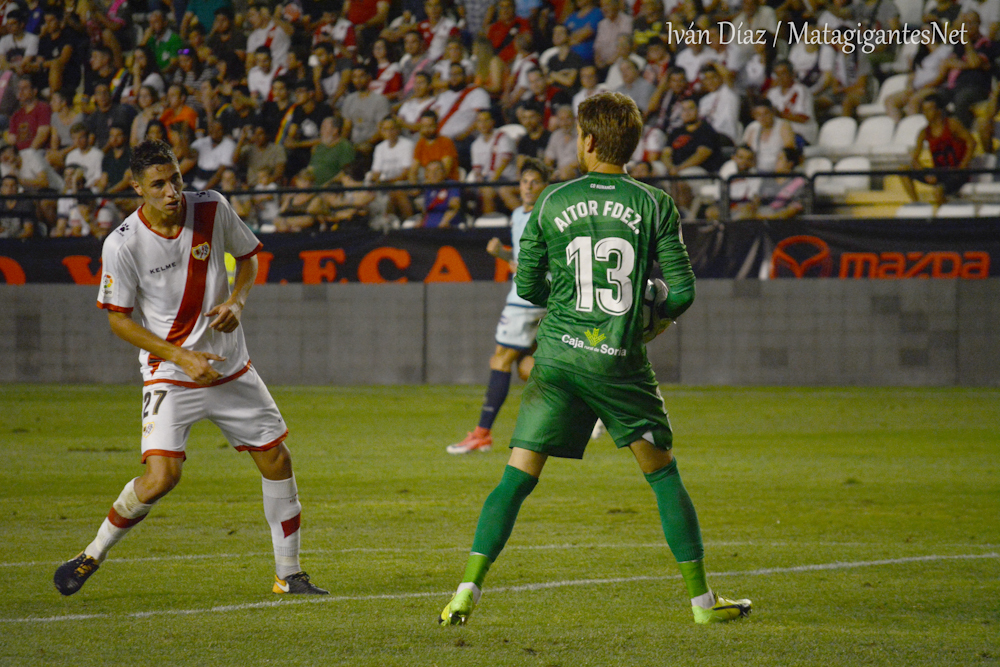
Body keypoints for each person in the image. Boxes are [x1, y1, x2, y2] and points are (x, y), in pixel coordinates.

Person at [437, 91, 751, 627]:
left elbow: (530, 288)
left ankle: (466, 589)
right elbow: (681, 291)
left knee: (515, 478)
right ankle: (702, 604)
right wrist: (647, 319)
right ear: (629, 142)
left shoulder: (550, 202)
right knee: (663, 477)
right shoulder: (654, 203)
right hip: (617, 360)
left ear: (586, 140)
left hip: (557, 356)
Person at [53, 140, 328, 598]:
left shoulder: (212, 208)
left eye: (175, 178)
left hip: (230, 367)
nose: (171, 191)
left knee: (277, 460)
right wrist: (181, 356)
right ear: (138, 189)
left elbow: (248, 257)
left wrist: (237, 301)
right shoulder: (122, 244)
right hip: (171, 372)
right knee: (162, 478)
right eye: (158, 184)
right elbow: (118, 319)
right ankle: (90, 555)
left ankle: (289, 574)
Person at [446, 158, 550, 455]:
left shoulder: (545, 217)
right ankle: (586, 401)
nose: (528, 187)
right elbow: (520, 258)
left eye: (535, 182)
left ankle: (482, 433)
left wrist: (509, 262)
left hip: (527, 298)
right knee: (527, 367)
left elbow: (543, 261)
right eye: (524, 181)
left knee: (500, 359)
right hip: (532, 294)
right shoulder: (519, 214)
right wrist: (502, 254)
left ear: (545, 187)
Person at [902, 94, 974, 205]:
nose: (926, 114)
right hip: (939, 172)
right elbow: (914, 159)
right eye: (924, 110)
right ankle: (916, 204)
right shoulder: (924, 132)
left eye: (929, 109)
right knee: (903, 170)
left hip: (956, 172)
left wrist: (962, 166)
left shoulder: (952, 124)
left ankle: (943, 216)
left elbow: (972, 142)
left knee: (938, 191)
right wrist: (925, 173)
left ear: (939, 111)